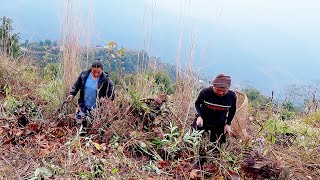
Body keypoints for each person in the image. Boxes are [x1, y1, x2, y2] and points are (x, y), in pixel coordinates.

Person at [66, 60, 115, 127]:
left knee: (93, 127)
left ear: (102, 70)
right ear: (91, 69)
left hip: (97, 109)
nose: (96, 74)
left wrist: (107, 105)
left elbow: (111, 95)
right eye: (94, 71)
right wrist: (72, 94)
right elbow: (77, 85)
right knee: (80, 125)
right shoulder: (84, 75)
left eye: (98, 72)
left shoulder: (106, 80)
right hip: (83, 105)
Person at [194, 73, 237, 145]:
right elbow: (197, 104)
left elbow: (232, 110)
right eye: (218, 90)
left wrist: (228, 124)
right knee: (195, 141)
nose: (220, 93)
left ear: (228, 88)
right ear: (213, 86)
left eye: (224, 91)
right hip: (203, 121)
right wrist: (199, 116)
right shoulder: (205, 92)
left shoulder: (232, 96)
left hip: (219, 124)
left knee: (218, 146)